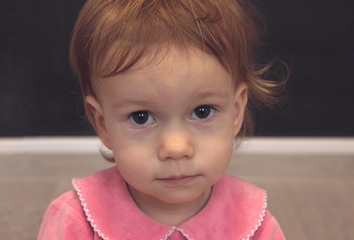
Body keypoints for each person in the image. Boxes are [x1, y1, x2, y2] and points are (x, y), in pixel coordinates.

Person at [38, 0, 287, 239]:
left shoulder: (253, 222)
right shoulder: (76, 220)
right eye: (141, 117)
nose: (176, 148)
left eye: (202, 111)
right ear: (103, 125)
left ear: (235, 112)